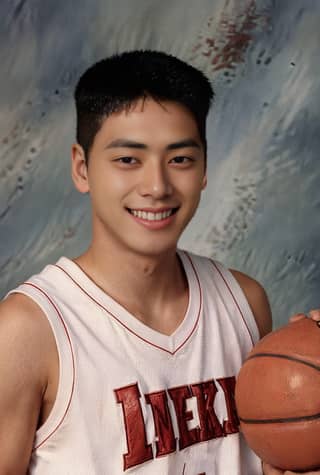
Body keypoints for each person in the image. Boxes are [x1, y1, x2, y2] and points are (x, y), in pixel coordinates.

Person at [0, 50, 318, 475]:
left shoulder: (244, 301)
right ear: (82, 168)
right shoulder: (28, 331)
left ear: (204, 167)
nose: (157, 185)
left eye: (180, 159)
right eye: (128, 159)